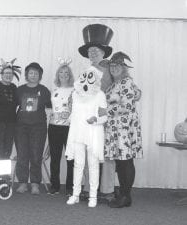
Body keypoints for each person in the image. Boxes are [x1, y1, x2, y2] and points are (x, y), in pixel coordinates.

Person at [99, 51, 143, 208]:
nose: (113, 68)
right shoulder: (114, 84)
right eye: (111, 66)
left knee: (125, 162)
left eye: (117, 66)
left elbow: (126, 106)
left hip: (124, 129)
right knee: (120, 162)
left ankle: (126, 195)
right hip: (115, 129)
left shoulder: (126, 82)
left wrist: (106, 111)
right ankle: (125, 194)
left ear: (124, 68)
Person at [77, 23, 116, 201]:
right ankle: (88, 187)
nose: (92, 53)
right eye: (90, 51)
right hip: (88, 115)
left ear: (103, 52)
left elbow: (119, 86)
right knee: (89, 150)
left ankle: (108, 189)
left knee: (106, 153)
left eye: (96, 50)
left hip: (105, 116)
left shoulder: (111, 68)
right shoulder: (85, 72)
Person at [65, 66, 107, 207]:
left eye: (90, 76)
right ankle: (75, 194)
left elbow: (104, 116)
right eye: (84, 75)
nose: (86, 80)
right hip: (77, 132)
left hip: (92, 133)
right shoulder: (75, 94)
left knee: (93, 165)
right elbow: (74, 112)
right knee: (78, 164)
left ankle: (93, 196)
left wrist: (96, 119)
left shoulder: (100, 94)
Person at [15, 62, 51, 195]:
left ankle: (35, 183)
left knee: (36, 155)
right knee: (22, 155)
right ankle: (23, 183)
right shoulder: (19, 90)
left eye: (36, 73)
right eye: (31, 73)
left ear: (40, 75)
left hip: (39, 127)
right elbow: (11, 106)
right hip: (21, 127)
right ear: (26, 75)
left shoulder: (45, 90)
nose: (33, 75)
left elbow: (51, 107)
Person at [47, 58, 74, 196]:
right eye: (61, 72)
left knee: (70, 158)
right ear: (58, 75)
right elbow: (50, 108)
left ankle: (70, 187)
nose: (63, 74)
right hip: (54, 127)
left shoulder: (75, 90)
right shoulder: (54, 89)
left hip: (70, 127)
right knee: (55, 158)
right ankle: (55, 185)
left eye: (66, 72)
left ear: (70, 75)